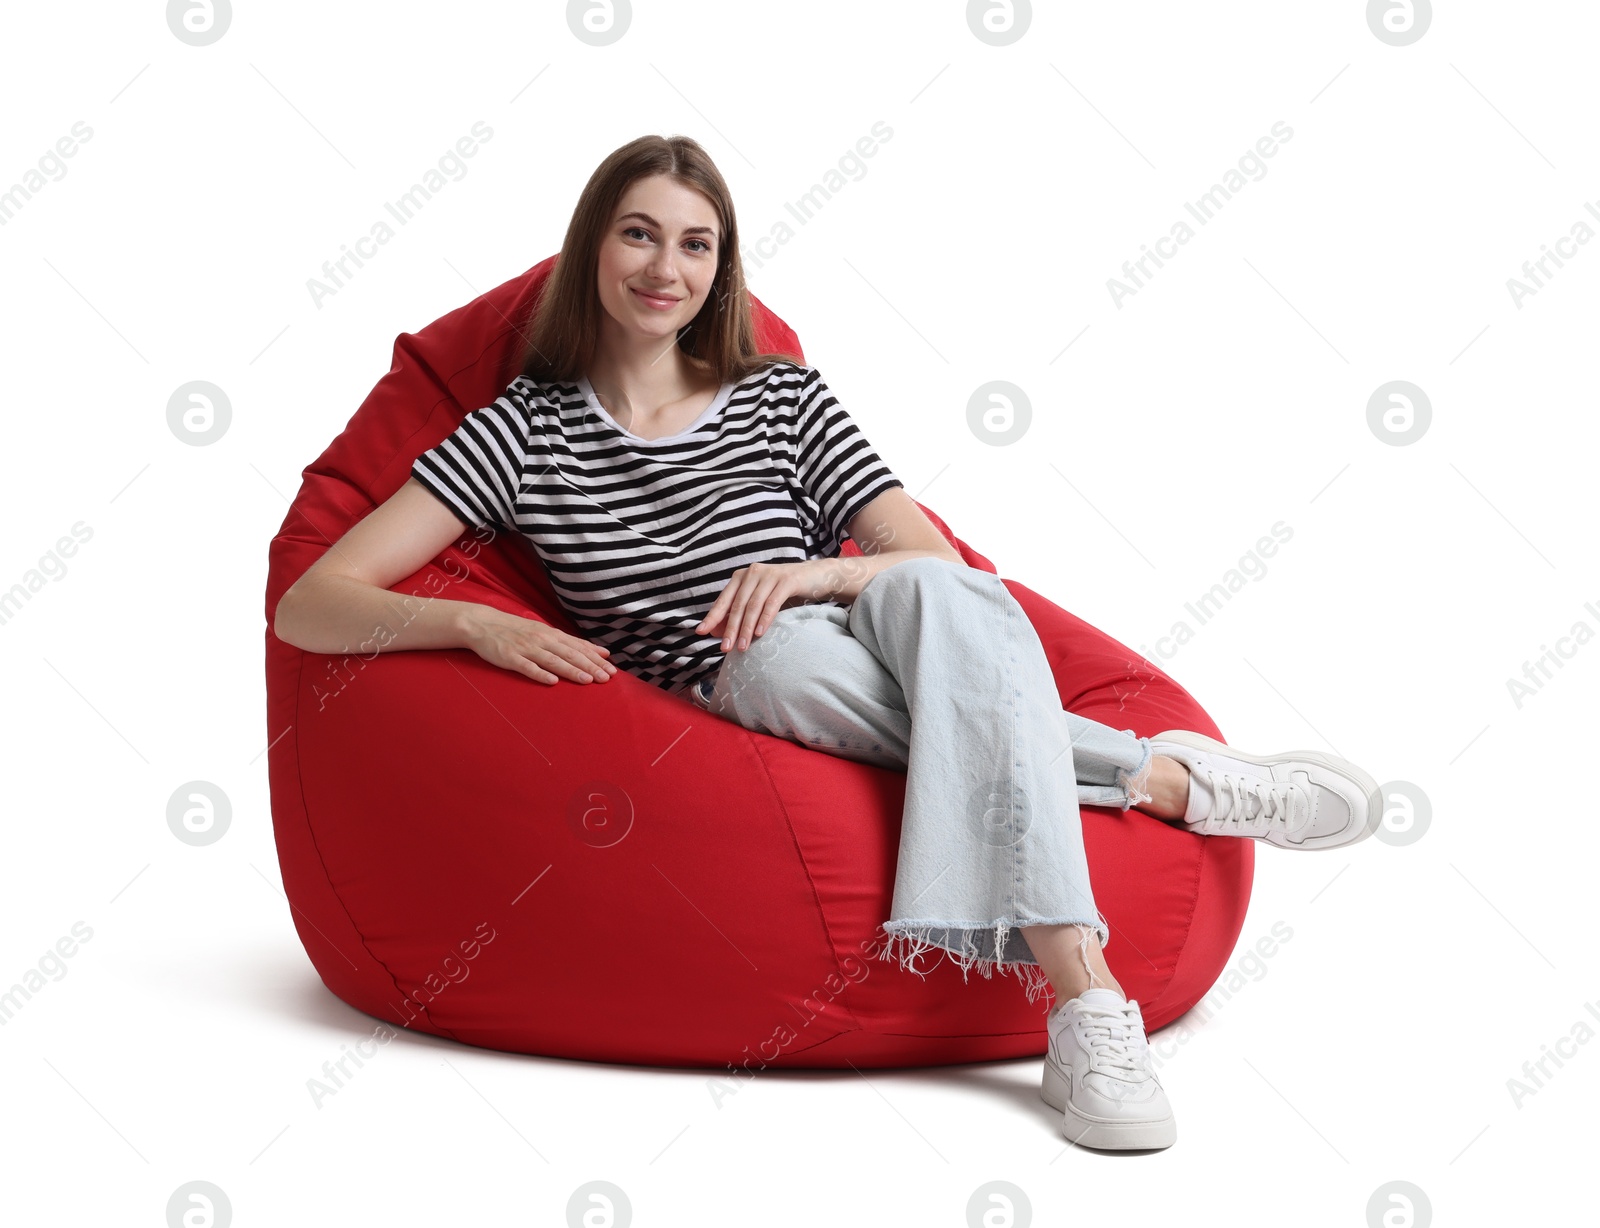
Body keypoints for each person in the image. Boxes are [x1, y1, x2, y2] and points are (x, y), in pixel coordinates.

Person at [273, 134, 1383, 1153]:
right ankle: (1155, 795)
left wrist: (812, 571)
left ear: (722, 269)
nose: (667, 266)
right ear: (593, 249)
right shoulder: (522, 432)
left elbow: (935, 565)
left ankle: (1085, 996)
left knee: (947, 608)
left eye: (696, 244)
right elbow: (312, 601)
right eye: (640, 233)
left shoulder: (779, 399)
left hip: (863, 624)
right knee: (786, 658)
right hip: (739, 680)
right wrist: (473, 622)